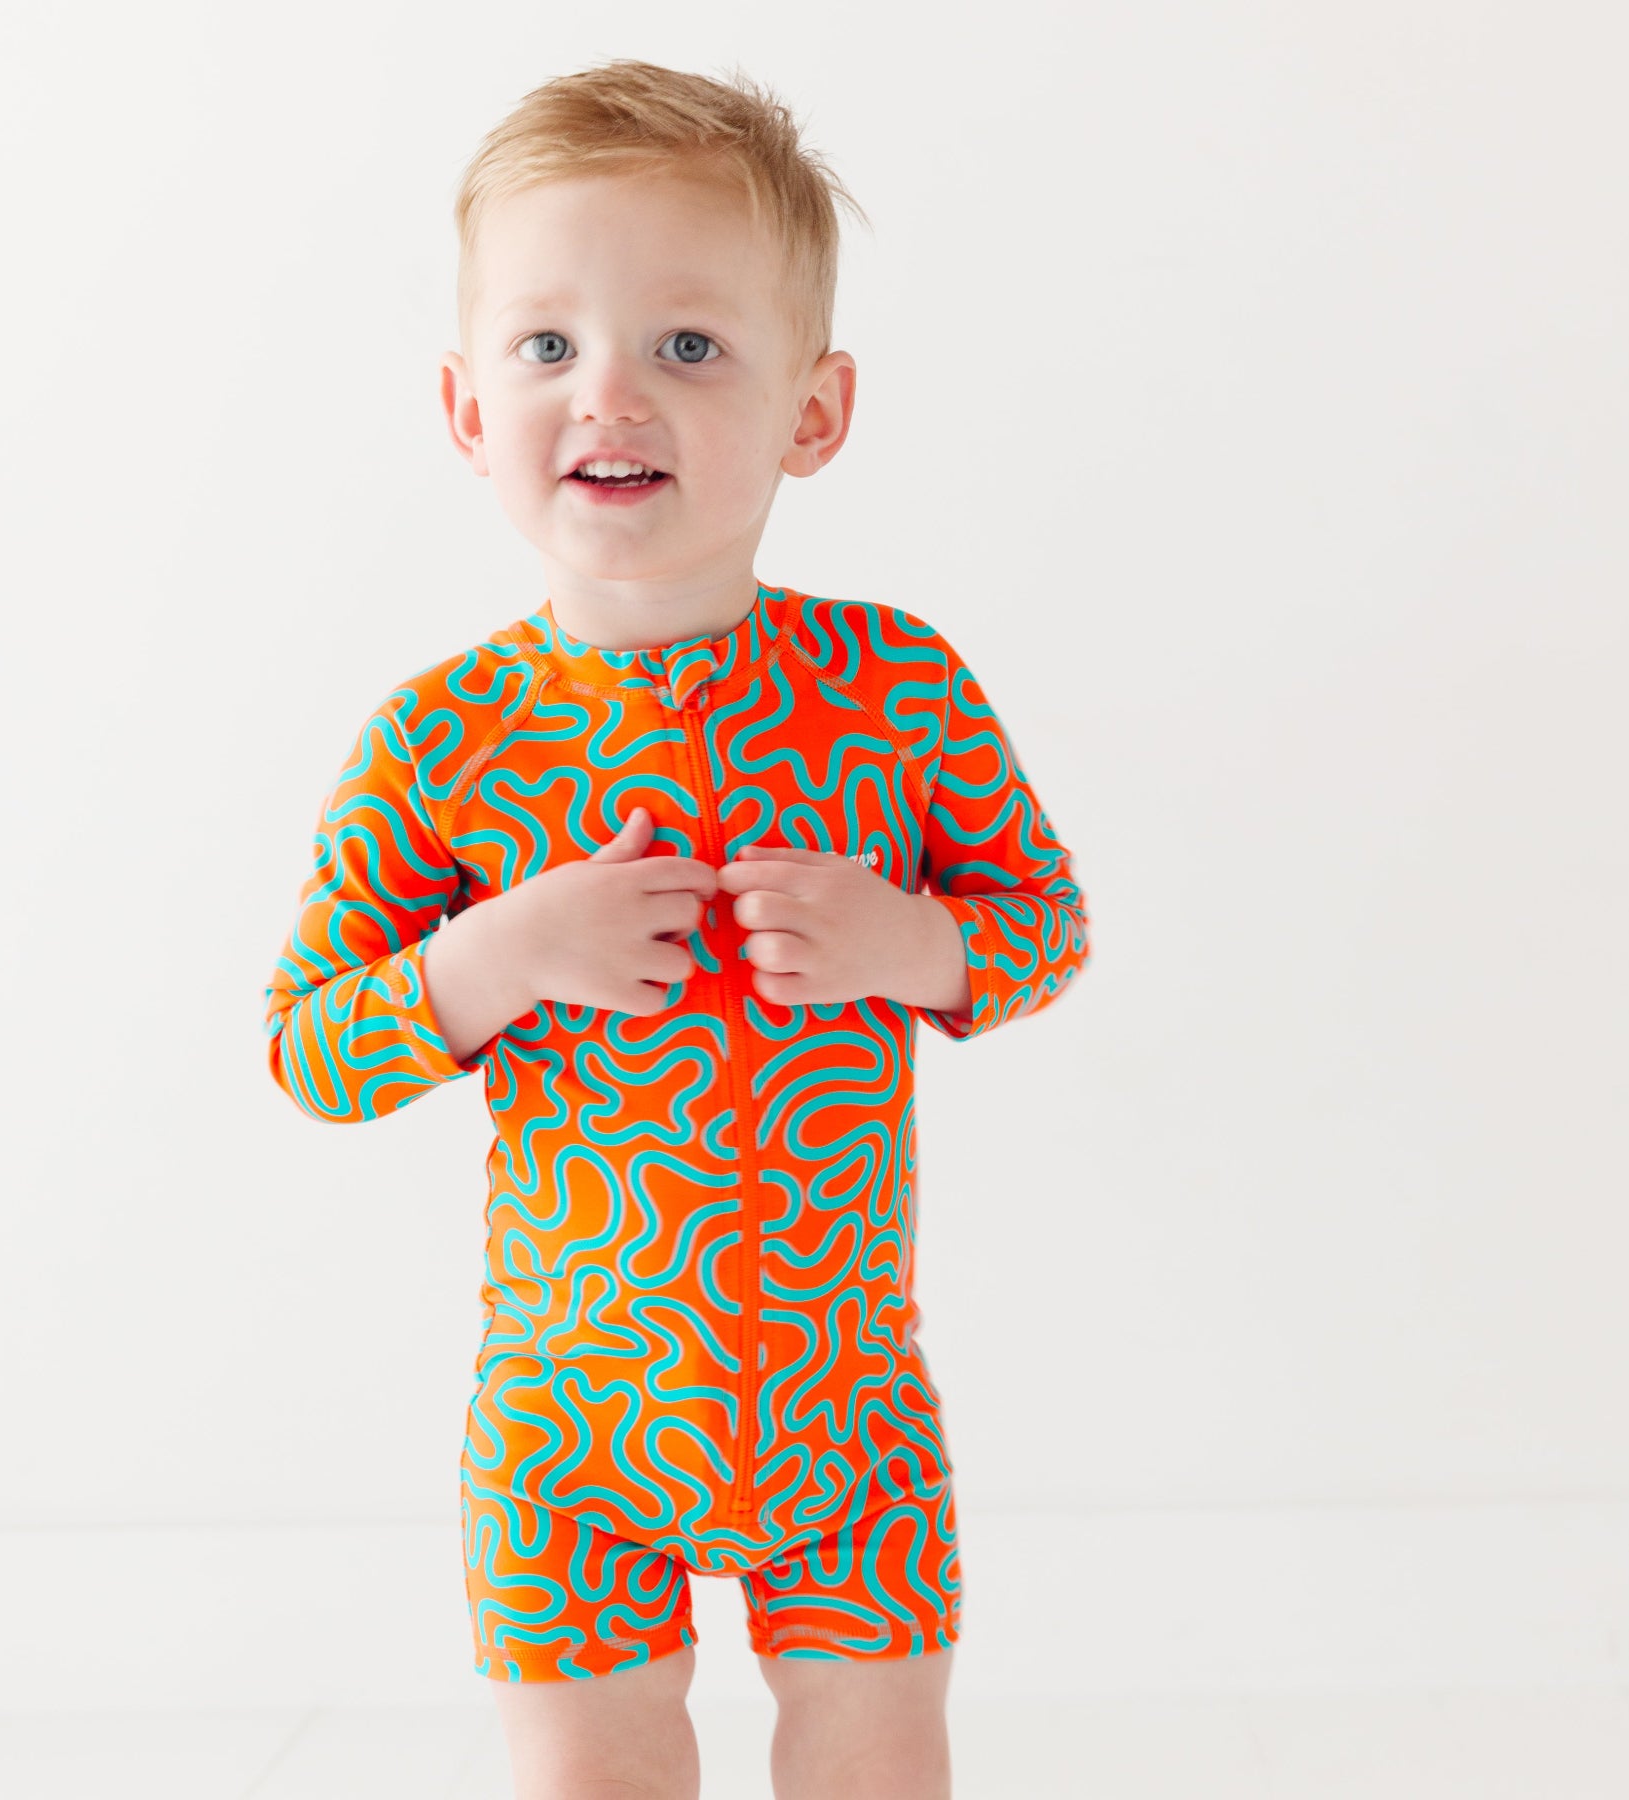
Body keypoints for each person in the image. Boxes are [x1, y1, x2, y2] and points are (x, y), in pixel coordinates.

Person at [263, 57, 1090, 1800]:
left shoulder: (897, 683)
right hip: (571, 1410)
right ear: (468, 407)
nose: (610, 394)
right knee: (591, 1758)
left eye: (690, 346)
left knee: (878, 1736)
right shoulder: (444, 737)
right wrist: (490, 963)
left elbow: (1044, 920)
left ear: (816, 410)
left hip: (843, 1396)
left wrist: (916, 949)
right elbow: (304, 1044)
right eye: (547, 346)